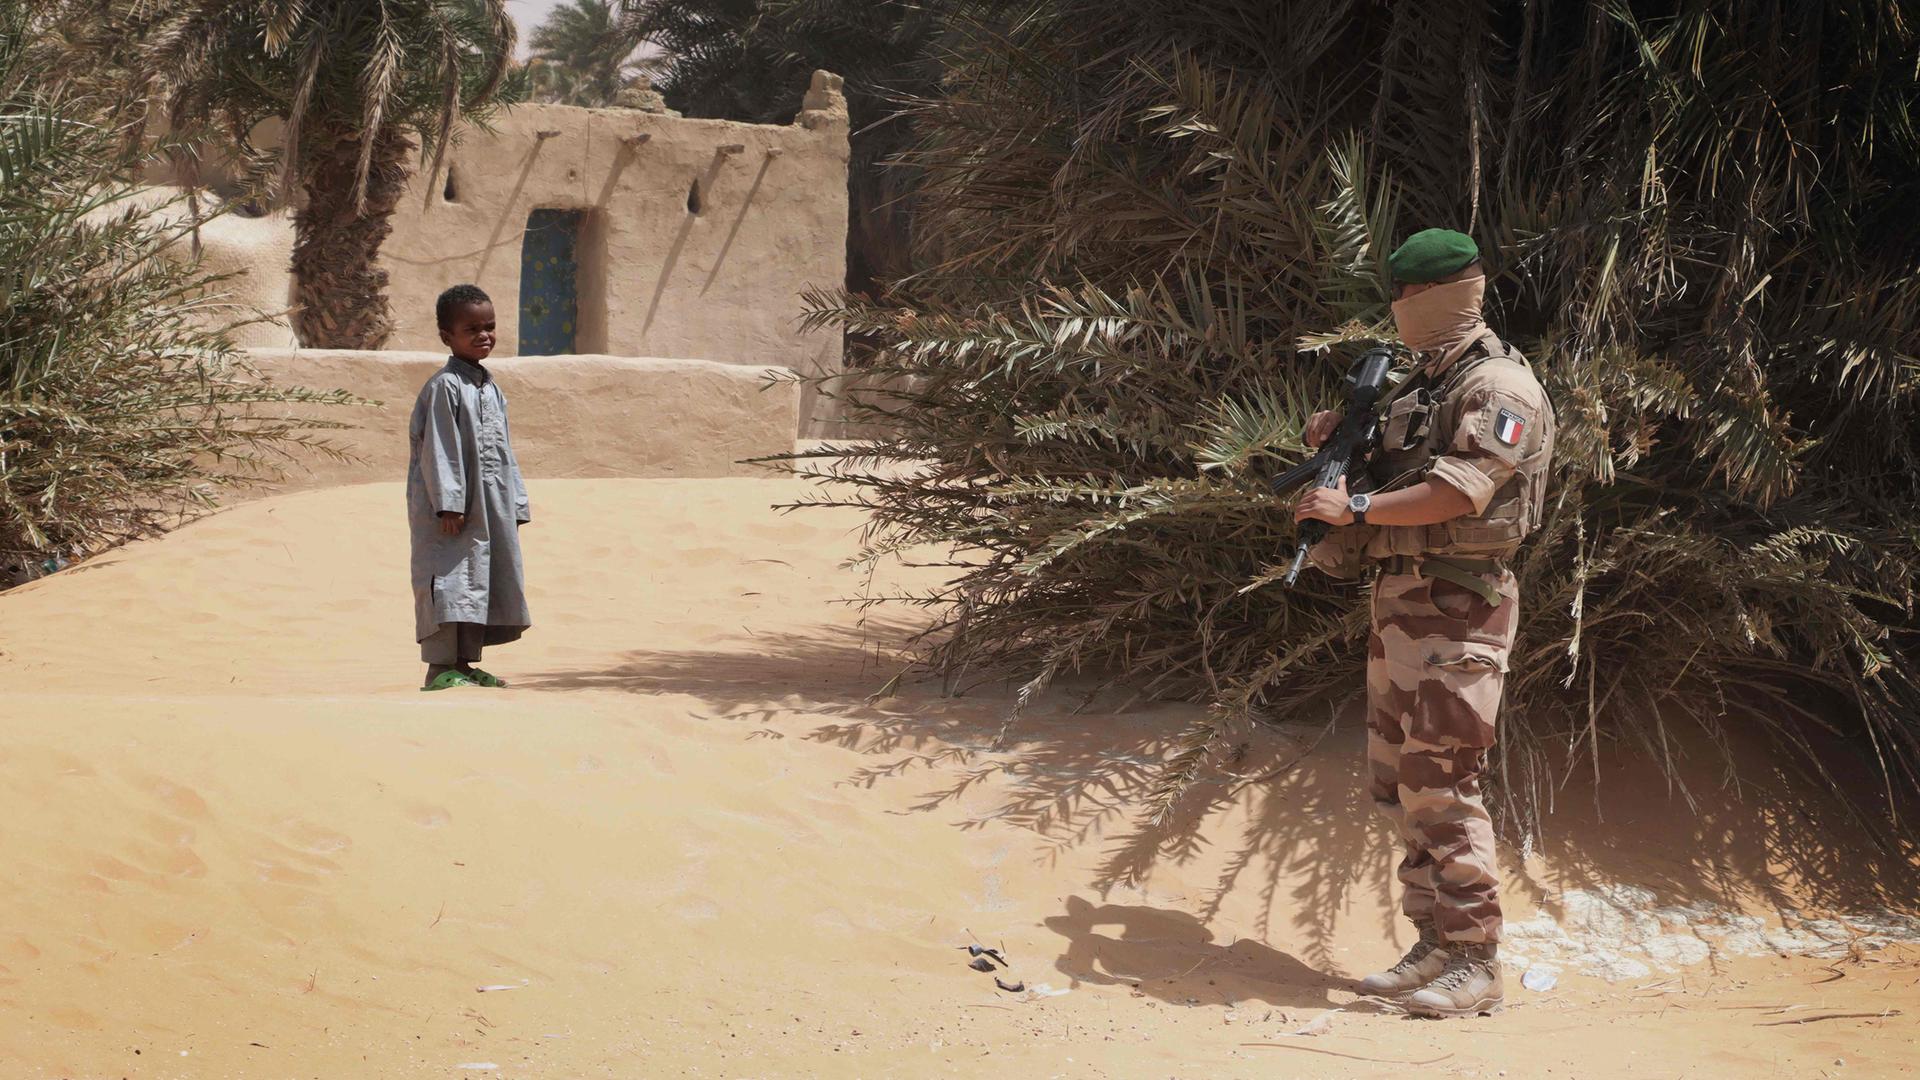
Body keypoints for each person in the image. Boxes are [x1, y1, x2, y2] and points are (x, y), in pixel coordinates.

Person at [1292, 228, 1555, 1018]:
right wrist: (1339, 450)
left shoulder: (1500, 387)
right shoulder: (1425, 385)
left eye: (1408, 295)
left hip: (1462, 607)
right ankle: (1436, 943)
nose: (1400, 308)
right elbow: (1399, 476)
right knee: (1402, 788)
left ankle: (1476, 963)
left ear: (1445, 294)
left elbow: (1460, 489)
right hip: (1404, 605)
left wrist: (1356, 507)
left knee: (1443, 783)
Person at [408, 284, 532, 691]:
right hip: (452, 513)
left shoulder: (491, 388)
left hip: (490, 506)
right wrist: (449, 504)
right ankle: (438, 667)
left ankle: (463, 664)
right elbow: (439, 448)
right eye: (471, 329)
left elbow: (504, 451)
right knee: (450, 580)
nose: (484, 335)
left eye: (489, 327)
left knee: (478, 581)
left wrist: (515, 503)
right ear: (447, 336)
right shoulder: (445, 387)